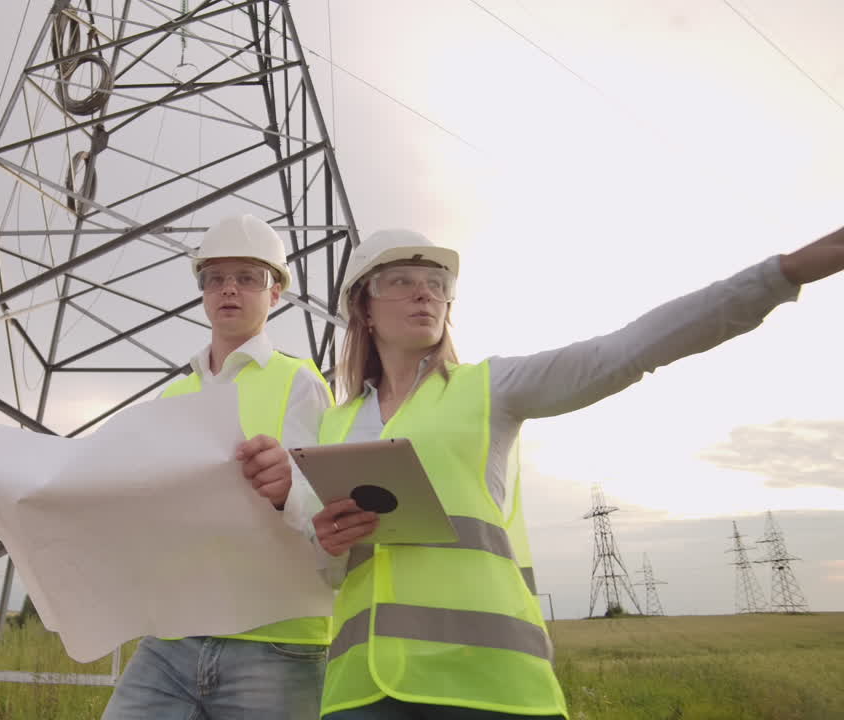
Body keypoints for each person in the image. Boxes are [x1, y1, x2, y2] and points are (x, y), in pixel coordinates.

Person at [306, 226, 844, 719]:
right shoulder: (336, 422)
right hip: (361, 690)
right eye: (400, 281)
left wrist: (780, 274)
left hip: (485, 682)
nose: (425, 293)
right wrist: (327, 544)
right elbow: (330, 570)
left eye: (436, 282)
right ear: (364, 309)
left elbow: (628, 349)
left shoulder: (491, 387)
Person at [0, 214, 337, 720]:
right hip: (173, 638)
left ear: (276, 293)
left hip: (276, 642)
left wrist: (289, 489)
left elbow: (329, 511)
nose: (229, 290)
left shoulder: (301, 384)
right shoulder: (176, 393)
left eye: (248, 277)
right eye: (215, 278)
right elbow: (101, 487)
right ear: (202, 291)